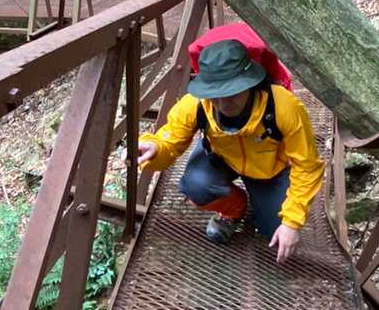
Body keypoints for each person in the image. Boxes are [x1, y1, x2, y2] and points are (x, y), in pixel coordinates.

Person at [137, 38, 324, 264]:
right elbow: (171, 139)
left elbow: (308, 166)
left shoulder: (283, 106)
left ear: (250, 83)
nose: (223, 103)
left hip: (270, 171)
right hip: (222, 158)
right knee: (195, 186)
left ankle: (263, 204)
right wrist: (156, 147)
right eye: (214, 95)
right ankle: (234, 208)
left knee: (276, 232)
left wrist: (291, 222)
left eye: (232, 93)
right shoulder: (196, 104)